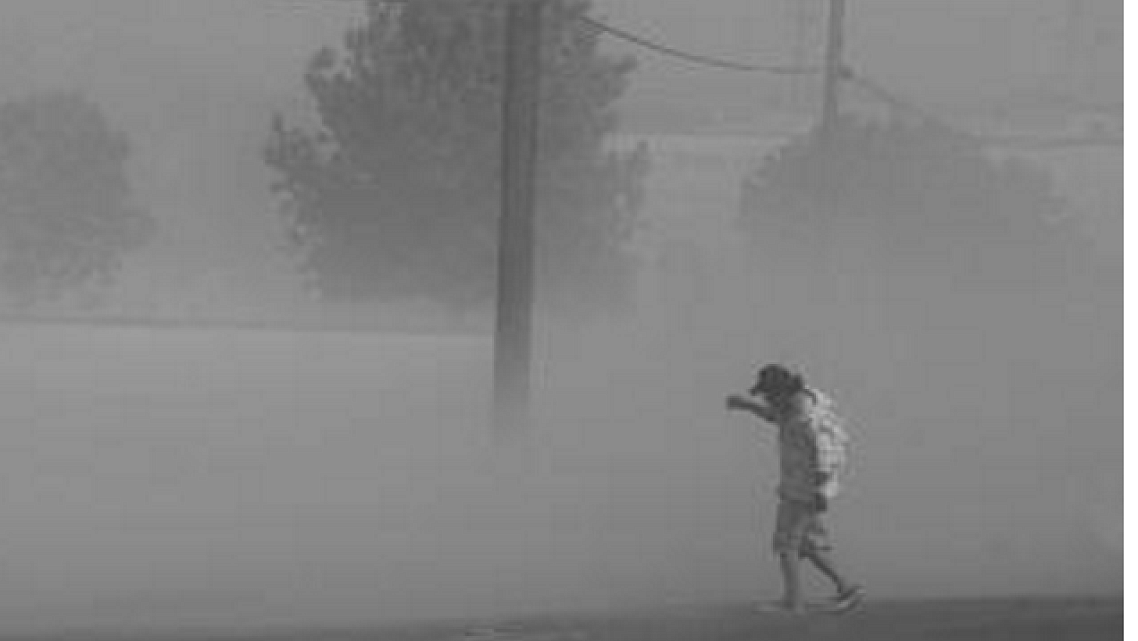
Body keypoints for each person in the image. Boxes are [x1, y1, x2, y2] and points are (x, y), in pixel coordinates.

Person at [727, 364, 864, 614]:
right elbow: (774, 416)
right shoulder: (793, 406)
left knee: (786, 544)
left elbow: (826, 455)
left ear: (781, 391)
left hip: (804, 490)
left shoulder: (807, 417)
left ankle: (794, 602)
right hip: (800, 486)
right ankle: (846, 587)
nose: (767, 399)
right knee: (807, 544)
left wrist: (820, 490)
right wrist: (746, 406)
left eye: (769, 394)